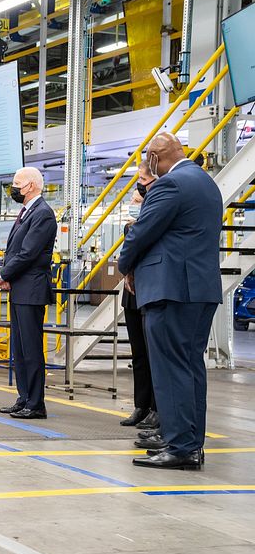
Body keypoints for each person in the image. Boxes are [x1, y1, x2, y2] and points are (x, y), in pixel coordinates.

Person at [118, 132, 221, 470]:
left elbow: (143, 232)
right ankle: (190, 442)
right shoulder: (205, 182)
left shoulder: (170, 184)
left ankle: (179, 448)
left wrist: (125, 265)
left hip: (171, 289)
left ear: (154, 157)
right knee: (190, 367)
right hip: (199, 289)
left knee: (170, 368)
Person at [0, 167, 57, 420]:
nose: (13, 187)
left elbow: (28, 253)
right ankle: (24, 398)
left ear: (30, 185)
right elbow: (16, 250)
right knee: (20, 348)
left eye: (16, 183)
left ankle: (36, 404)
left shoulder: (43, 214)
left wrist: (4, 275)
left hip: (31, 290)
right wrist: (9, 277)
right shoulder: (27, 212)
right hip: (20, 288)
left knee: (31, 348)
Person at [119, 165, 159, 430]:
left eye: (137, 201)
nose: (133, 204)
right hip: (131, 297)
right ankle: (140, 406)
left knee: (153, 354)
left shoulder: (154, 225)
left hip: (148, 293)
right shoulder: (129, 227)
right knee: (138, 356)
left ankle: (157, 407)